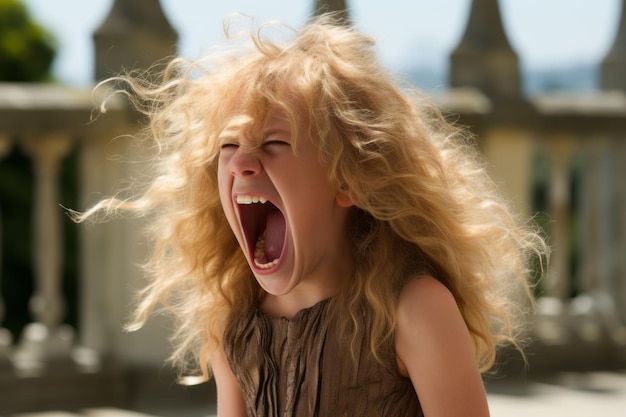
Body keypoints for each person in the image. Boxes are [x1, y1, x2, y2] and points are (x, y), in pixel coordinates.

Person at [77, 13, 547, 417]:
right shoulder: (232, 322)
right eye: (228, 145)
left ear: (350, 180)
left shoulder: (415, 310)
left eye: (275, 143)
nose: (242, 161)